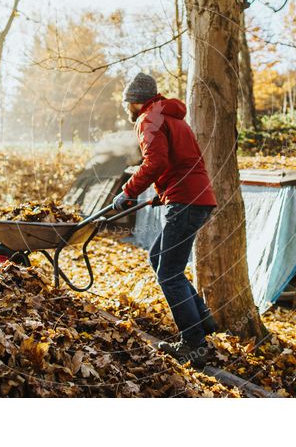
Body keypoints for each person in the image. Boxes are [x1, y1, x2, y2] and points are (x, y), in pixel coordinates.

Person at [113, 72, 219, 369]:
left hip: (188, 199)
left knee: (168, 274)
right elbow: (180, 161)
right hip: (195, 197)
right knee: (159, 256)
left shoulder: (148, 119)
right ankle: (202, 319)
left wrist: (128, 191)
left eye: (127, 103)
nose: (127, 109)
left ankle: (194, 345)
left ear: (135, 101)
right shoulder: (173, 117)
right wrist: (164, 191)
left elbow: (156, 161)